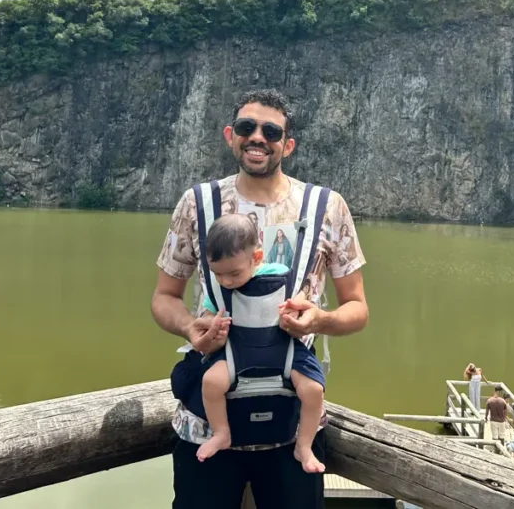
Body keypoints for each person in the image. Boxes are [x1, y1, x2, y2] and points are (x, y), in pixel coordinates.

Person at [151, 88, 369, 509]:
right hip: (206, 424)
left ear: (287, 144)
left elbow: (357, 309)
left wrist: (319, 320)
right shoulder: (198, 203)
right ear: (230, 135)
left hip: (293, 430)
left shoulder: (327, 207)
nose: (257, 137)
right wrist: (190, 328)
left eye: (271, 131)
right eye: (247, 127)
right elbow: (164, 297)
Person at [193, 213, 325, 472]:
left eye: (234, 273)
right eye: (217, 274)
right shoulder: (218, 290)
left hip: (283, 350)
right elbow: (207, 315)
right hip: (237, 352)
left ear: (256, 257)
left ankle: (304, 445)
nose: (226, 281)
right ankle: (221, 433)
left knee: (313, 389)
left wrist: (296, 309)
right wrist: (212, 324)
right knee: (211, 382)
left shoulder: (281, 275)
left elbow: (301, 297)